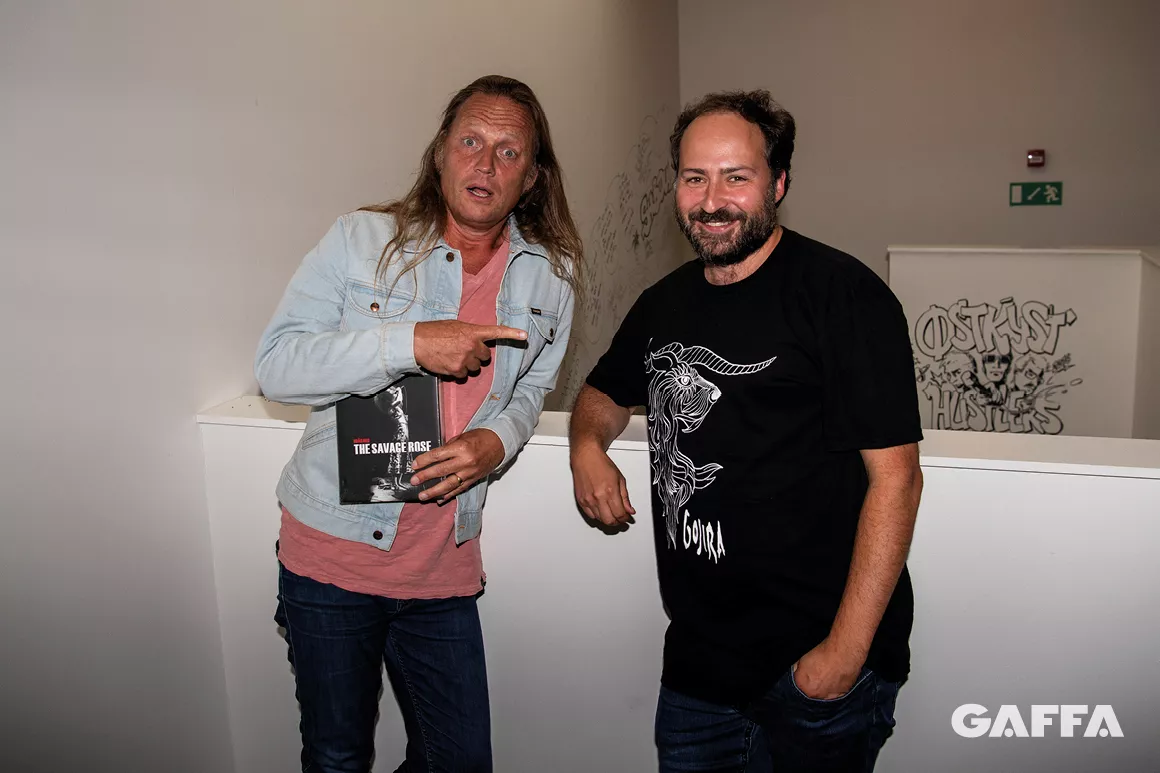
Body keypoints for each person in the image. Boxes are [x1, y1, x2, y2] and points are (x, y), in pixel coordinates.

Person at [569, 90, 923, 772]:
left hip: (814, 671)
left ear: (778, 183)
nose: (712, 200)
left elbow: (898, 481)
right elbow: (603, 394)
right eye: (694, 177)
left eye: (736, 177)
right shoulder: (664, 302)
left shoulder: (843, 295)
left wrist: (840, 658)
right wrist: (587, 446)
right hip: (698, 669)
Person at [255, 74, 580, 773]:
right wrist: (408, 343)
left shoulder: (552, 276)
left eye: (509, 151)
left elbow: (533, 389)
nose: (485, 163)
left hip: (442, 568)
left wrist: (498, 441)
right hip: (332, 560)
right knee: (337, 757)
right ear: (439, 153)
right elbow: (277, 367)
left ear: (531, 179)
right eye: (470, 141)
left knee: (459, 760)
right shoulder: (360, 239)